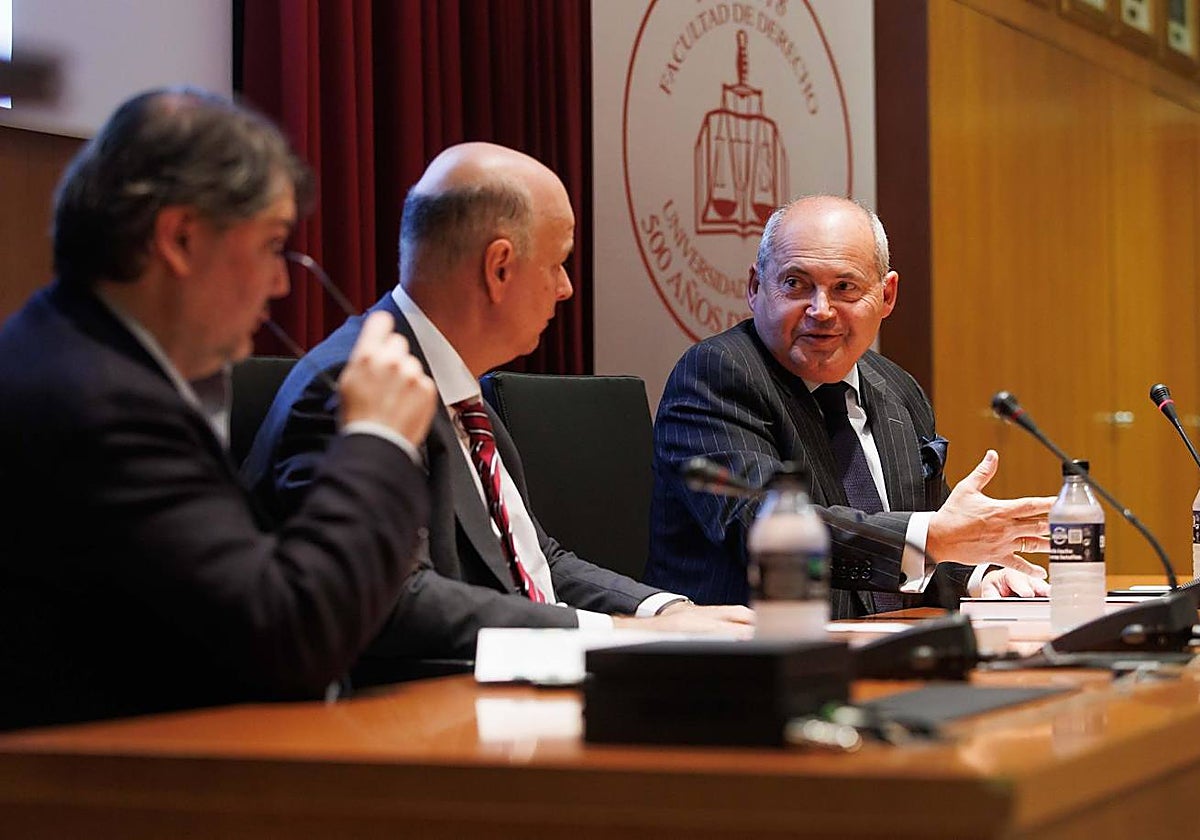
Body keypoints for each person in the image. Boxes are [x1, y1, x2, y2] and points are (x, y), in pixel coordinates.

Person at [0, 88, 438, 730]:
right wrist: (377, 438)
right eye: (270, 245)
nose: (281, 283)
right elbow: (290, 634)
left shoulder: (80, 358)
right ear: (179, 238)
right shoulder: (97, 403)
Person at [243, 142, 753, 669]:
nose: (566, 288)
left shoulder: (461, 388)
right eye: (557, 264)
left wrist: (664, 612)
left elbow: (535, 561)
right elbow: (398, 603)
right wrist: (613, 635)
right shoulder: (353, 387)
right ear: (500, 268)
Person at [645, 195, 1052, 618]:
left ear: (887, 295)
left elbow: (916, 535)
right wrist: (933, 537)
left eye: (845, 287)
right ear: (755, 287)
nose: (821, 310)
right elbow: (766, 526)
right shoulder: (717, 374)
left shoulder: (895, 386)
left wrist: (978, 574)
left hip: (888, 649)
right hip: (747, 662)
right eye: (795, 284)